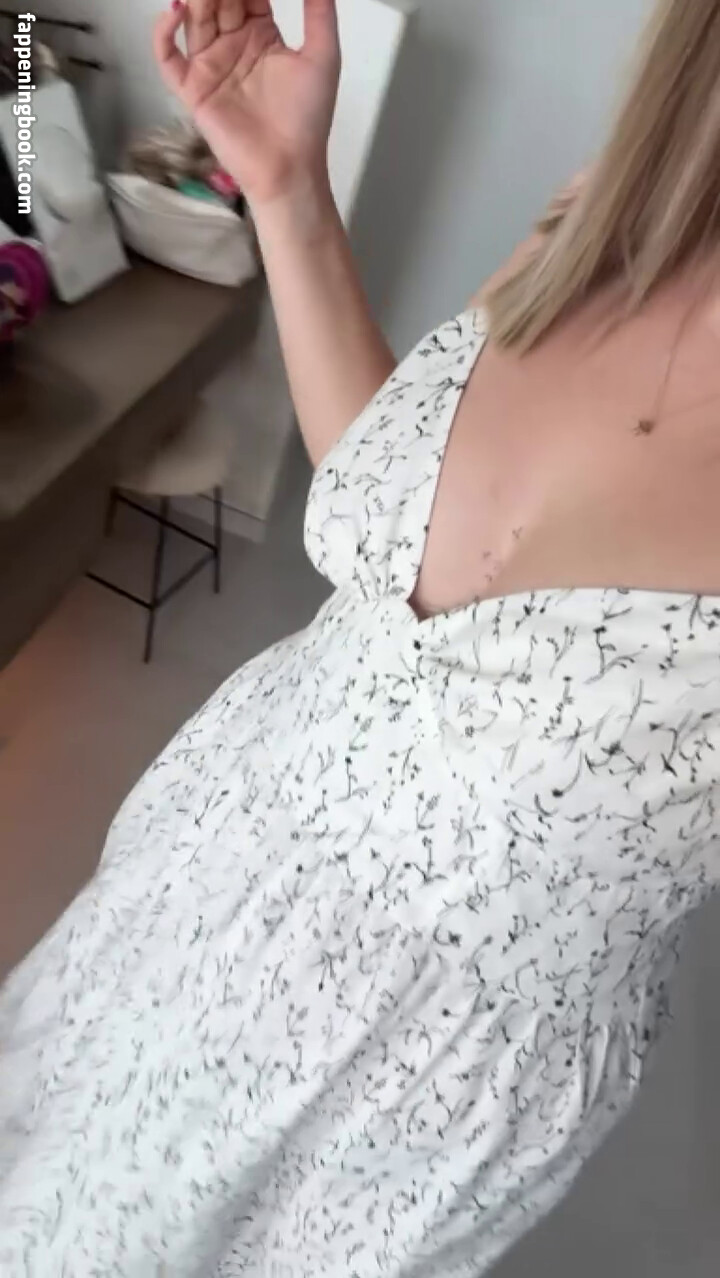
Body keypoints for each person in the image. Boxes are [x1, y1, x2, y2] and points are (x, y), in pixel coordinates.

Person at [1, 0, 719, 1273]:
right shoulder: (604, 220)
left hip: (393, 1096)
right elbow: (387, 520)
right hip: (195, 877)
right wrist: (289, 190)